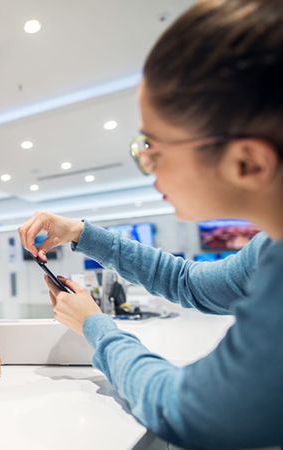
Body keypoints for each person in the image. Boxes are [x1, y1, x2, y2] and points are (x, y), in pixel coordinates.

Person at [18, 0, 283, 447]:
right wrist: (80, 233)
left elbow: (185, 409)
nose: (147, 165)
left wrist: (95, 327)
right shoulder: (270, 249)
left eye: (152, 149)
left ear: (248, 162)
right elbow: (190, 282)